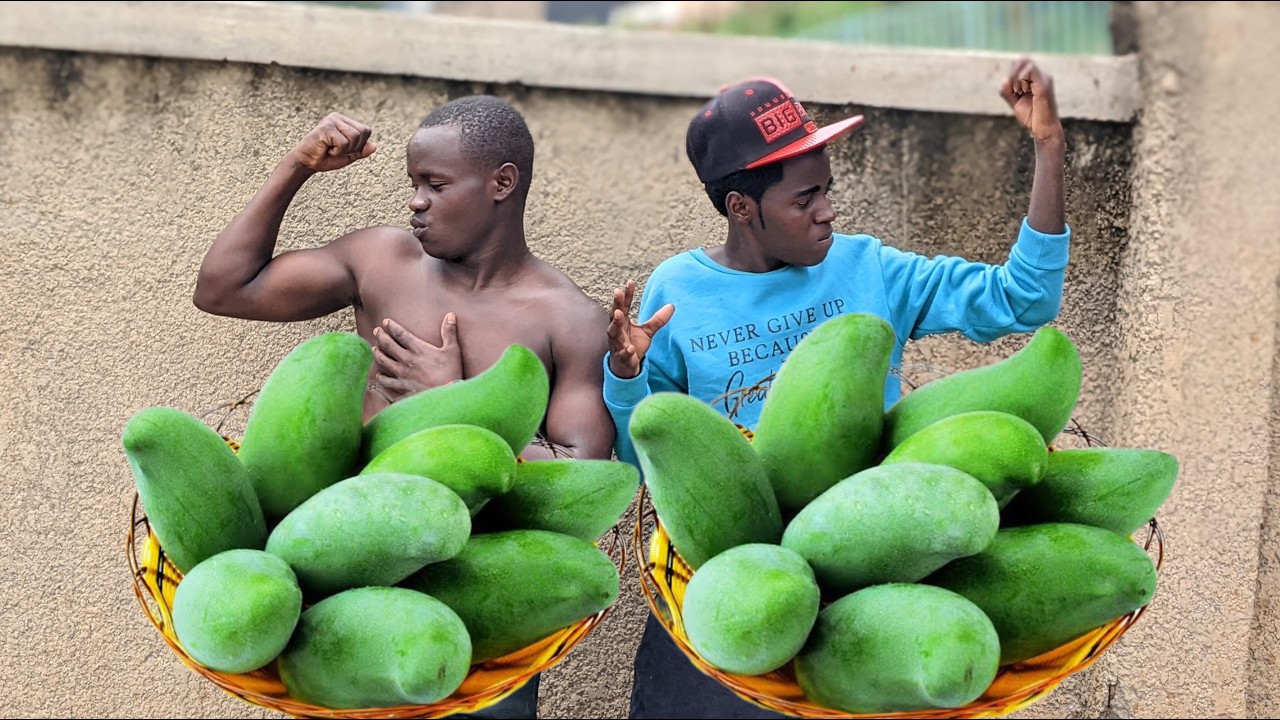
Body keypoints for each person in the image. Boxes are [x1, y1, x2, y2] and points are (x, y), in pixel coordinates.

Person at [605, 59, 1070, 719]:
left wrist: (1049, 149)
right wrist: (625, 376)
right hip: (727, 597)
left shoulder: (869, 268)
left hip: (866, 592)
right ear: (742, 207)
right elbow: (641, 459)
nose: (827, 213)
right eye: (804, 198)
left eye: (826, 190)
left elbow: (1024, 299)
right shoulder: (677, 295)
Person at [193, 96, 616, 717]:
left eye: (436, 185)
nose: (416, 201)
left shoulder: (566, 318)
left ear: (502, 183)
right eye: (414, 183)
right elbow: (224, 289)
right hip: (336, 579)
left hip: (472, 591)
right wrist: (297, 167)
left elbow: (581, 478)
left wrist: (449, 402)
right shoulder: (383, 262)